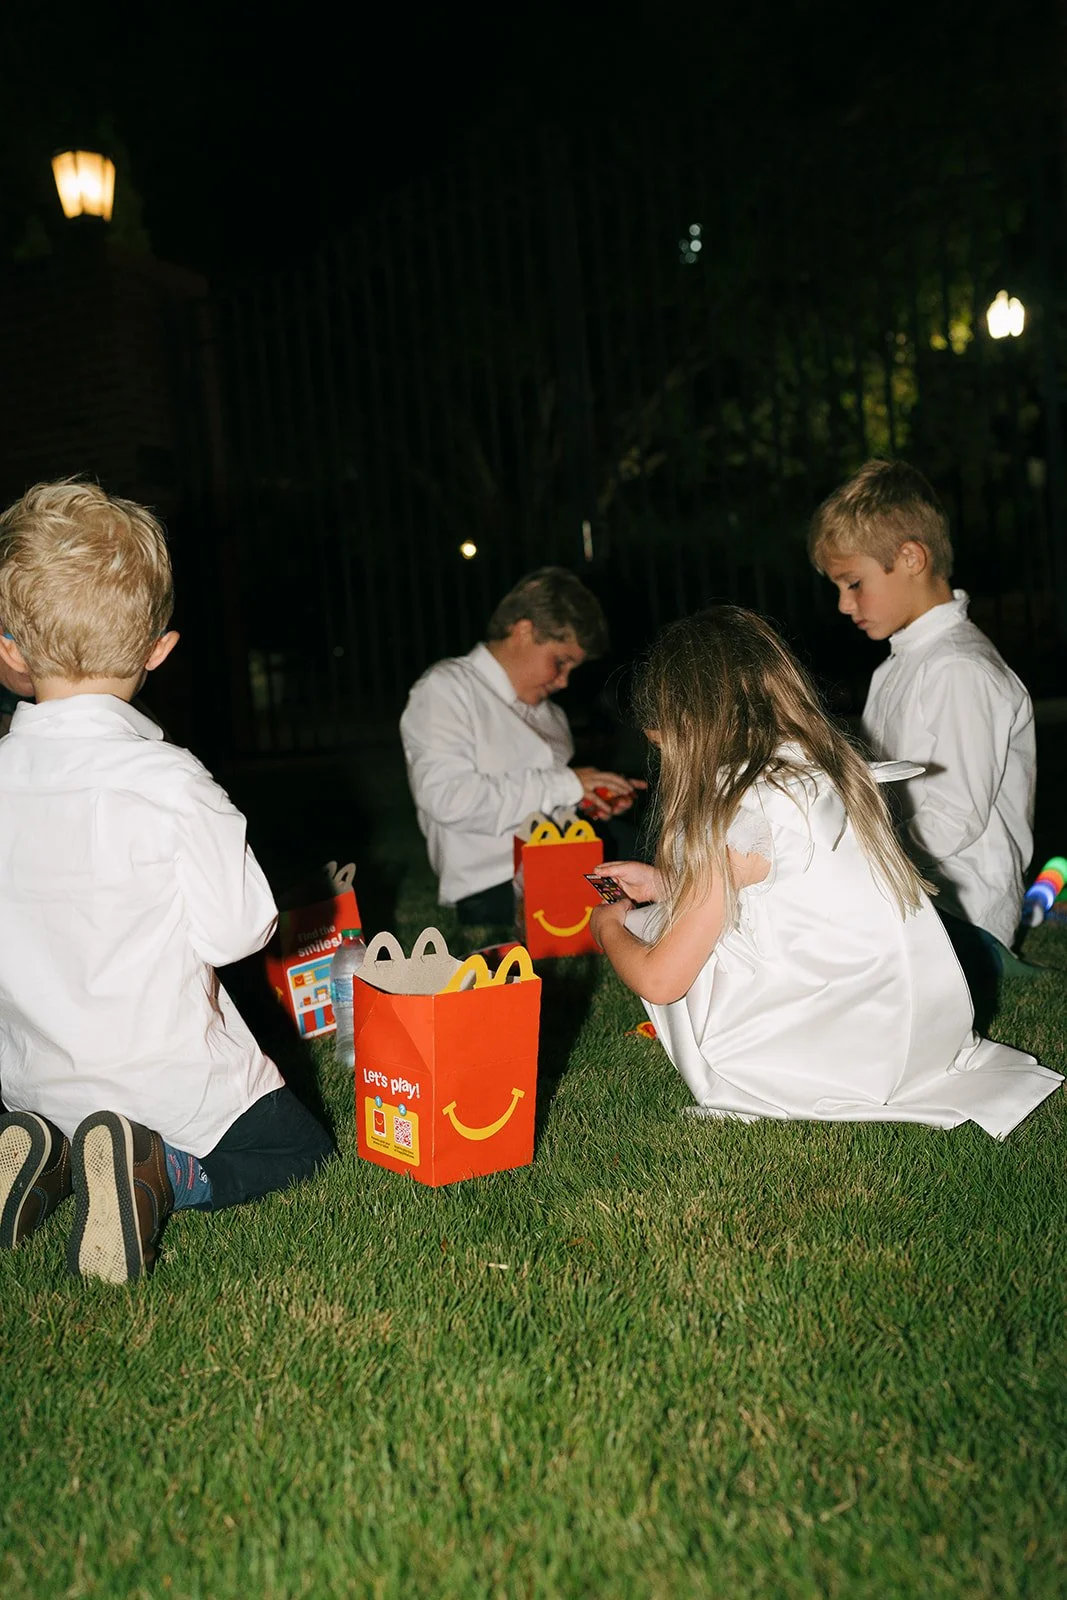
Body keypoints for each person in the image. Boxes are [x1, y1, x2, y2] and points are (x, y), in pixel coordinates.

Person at [0, 480, 332, 1283]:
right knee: (299, 1151)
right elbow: (236, 932)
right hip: (172, 1091)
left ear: (9, 649)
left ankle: (41, 1153)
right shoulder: (172, 782)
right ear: (158, 650)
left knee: (52, 1113)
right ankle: (160, 1170)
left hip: (33, 1080)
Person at [589, 607, 1060, 1138]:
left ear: (690, 729)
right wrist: (664, 884)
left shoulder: (738, 814)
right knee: (666, 914)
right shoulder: (817, 772)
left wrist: (608, 929)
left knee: (649, 929)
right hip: (893, 1029)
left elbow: (661, 979)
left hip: (821, 1051)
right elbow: (782, 892)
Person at [808, 459, 1036, 1019]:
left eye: (853, 584)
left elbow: (954, 819)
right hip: (910, 894)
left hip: (961, 911)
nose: (844, 605)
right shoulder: (899, 665)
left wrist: (860, 858)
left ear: (911, 558)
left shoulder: (960, 670)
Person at [400, 566, 644, 926]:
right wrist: (568, 784)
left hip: (564, 857)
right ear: (524, 631)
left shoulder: (550, 714)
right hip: (493, 883)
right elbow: (447, 798)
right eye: (560, 662)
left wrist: (588, 800)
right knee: (639, 889)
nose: (564, 681)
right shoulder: (447, 688)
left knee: (658, 857)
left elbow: (544, 800)